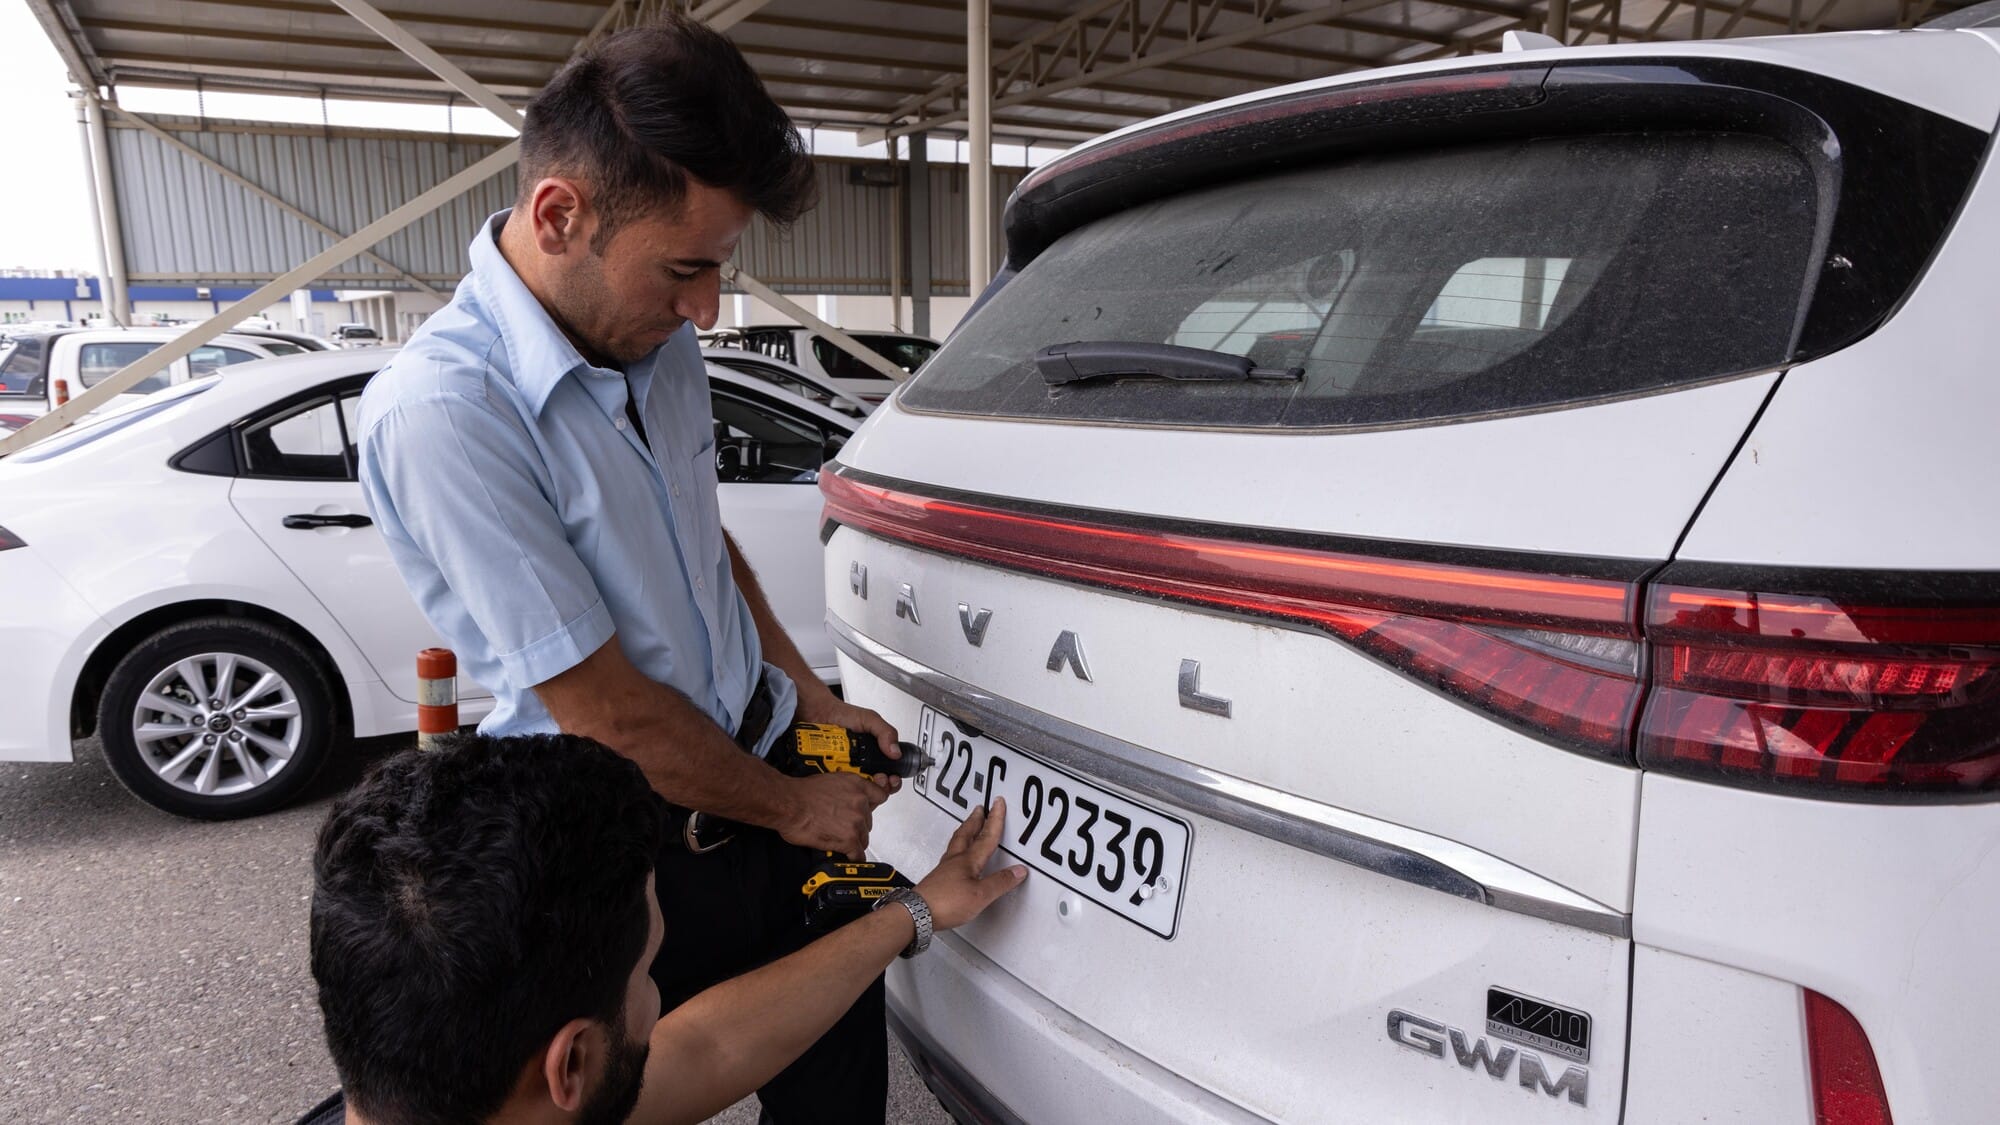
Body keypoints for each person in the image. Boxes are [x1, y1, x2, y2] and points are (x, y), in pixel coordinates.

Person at [355, 18, 905, 1122]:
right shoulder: (448, 412)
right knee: (643, 1099)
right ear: (561, 214)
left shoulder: (661, 349)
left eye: (718, 268)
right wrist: (798, 810)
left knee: (837, 1088)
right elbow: (602, 708)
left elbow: (704, 544)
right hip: (631, 860)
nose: (706, 307)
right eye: (684, 268)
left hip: (763, 785)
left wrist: (804, 695)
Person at [300, 733, 1025, 1125]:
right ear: (570, 1065)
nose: (661, 1001)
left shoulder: (460, 1097)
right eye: (649, 974)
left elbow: (711, 1044)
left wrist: (913, 911)